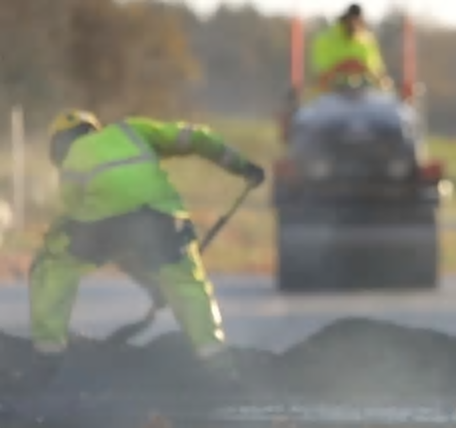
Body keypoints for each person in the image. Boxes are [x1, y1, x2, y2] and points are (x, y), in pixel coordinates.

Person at [24, 109, 265, 388]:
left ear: (58, 147)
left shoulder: (71, 166)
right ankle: (219, 368)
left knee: (53, 265)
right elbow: (197, 138)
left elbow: (98, 234)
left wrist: (148, 280)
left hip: (102, 226)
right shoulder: (131, 131)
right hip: (162, 219)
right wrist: (242, 167)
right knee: (188, 285)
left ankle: (47, 358)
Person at [310, 3, 388, 87]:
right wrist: (342, 67)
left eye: (357, 21)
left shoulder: (368, 40)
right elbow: (321, 74)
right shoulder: (326, 39)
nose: (354, 24)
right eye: (351, 20)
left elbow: (377, 71)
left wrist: (364, 69)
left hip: (363, 92)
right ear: (345, 20)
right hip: (330, 92)